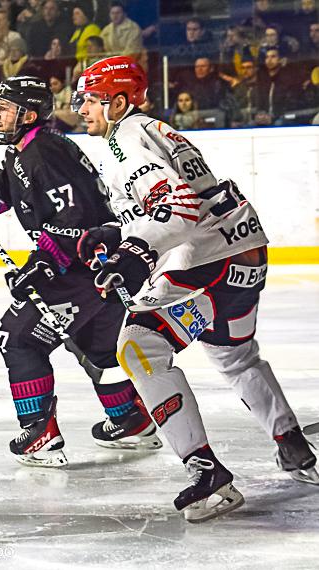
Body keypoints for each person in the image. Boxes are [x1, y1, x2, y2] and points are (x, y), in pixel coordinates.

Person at [73, 55, 319, 523]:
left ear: (119, 101)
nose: (82, 107)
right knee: (235, 354)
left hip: (206, 263)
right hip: (244, 253)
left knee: (138, 348)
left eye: (90, 98)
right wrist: (117, 236)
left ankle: (208, 475)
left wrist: (135, 254)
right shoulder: (154, 129)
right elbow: (172, 201)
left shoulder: (126, 136)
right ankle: (293, 446)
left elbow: (178, 209)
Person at [0, 75, 160, 467]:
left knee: (19, 338)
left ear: (27, 114)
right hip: (100, 270)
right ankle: (129, 420)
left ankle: (40, 433)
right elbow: (17, 192)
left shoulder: (44, 153)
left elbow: (75, 221)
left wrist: (43, 265)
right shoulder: (30, 149)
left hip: (83, 269)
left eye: (5, 108)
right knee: (100, 349)